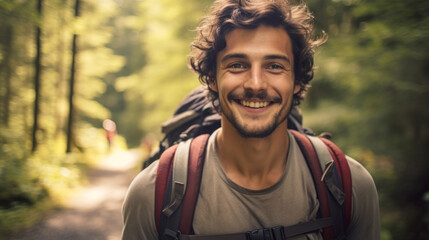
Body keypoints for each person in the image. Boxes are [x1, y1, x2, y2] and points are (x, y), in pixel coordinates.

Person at [121, 0, 380, 239]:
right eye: (237, 65)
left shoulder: (350, 187)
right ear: (212, 77)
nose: (255, 84)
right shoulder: (151, 193)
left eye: (275, 66)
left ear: (297, 81)